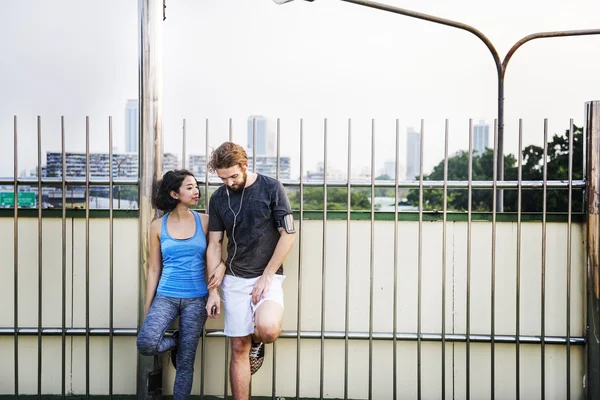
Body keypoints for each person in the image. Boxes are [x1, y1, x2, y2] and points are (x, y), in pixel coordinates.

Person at [205, 142, 296, 400]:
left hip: (268, 277)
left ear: (245, 166)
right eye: (223, 178)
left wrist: (267, 276)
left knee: (267, 330)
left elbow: (288, 235)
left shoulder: (271, 187)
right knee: (238, 347)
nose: (229, 183)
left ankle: (257, 340)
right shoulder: (218, 198)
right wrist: (213, 292)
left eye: (233, 176)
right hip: (234, 280)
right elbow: (214, 244)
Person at [136, 169, 218, 400]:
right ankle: (176, 341)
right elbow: (154, 268)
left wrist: (216, 283)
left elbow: (217, 257)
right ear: (174, 193)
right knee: (146, 343)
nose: (196, 192)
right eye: (189, 187)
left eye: (196, 186)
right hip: (166, 295)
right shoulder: (156, 226)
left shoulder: (205, 221)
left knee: (186, 361)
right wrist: (148, 305)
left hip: (197, 298)